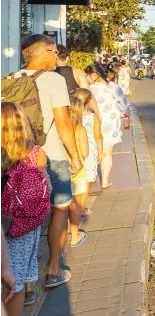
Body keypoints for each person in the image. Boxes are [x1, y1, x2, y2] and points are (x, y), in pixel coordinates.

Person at [8, 35, 80, 290]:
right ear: (46, 51)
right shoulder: (54, 79)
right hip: (52, 155)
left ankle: (26, 284)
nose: (56, 56)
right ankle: (52, 270)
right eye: (54, 51)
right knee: (59, 208)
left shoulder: (12, 78)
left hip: (18, 159)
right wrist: (76, 156)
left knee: (28, 215)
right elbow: (63, 121)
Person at [1, 102, 50, 316]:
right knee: (16, 280)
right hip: (25, 224)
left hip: (4, 224)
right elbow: (45, 189)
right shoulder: (35, 153)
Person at [86, 63, 129, 189]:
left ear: (94, 75)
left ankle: (91, 176)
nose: (86, 78)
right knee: (107, 153)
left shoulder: (88, 89)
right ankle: (104, 181)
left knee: (92, 151)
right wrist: (125, 120)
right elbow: (124, 106)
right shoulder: (114, 87)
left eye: (87, 75)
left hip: (92, 124)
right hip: (110, 124)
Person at [66, 96, 90, 248]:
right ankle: (74, 236)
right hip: (78, 171)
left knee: (62, 206)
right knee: (76, 205)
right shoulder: (80, 129)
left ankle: (66, 228)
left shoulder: (60, 129)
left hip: (62, 170)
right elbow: (86, 152)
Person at [70, 89, 100, 187]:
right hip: (89, 150)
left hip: (73, 148)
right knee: (86, 181)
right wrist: (100, 151)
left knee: (75, 180)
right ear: (88, 102)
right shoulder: (93, 117)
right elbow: (98, 136)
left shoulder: (70, 117)